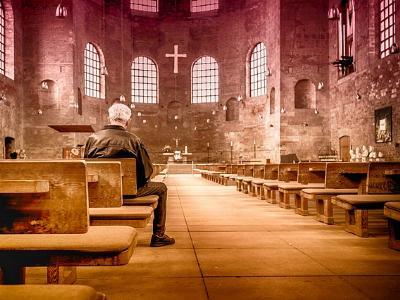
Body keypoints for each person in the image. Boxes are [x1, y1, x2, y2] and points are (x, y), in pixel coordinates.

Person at [84, 102, 175, 247]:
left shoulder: (92, 139)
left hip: (100, 193)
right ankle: (159, 235)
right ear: (128, 120)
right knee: (162, 188)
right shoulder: (134, 140)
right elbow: (147, 172)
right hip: (129, 192)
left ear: (109, 118)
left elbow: (87, 167)